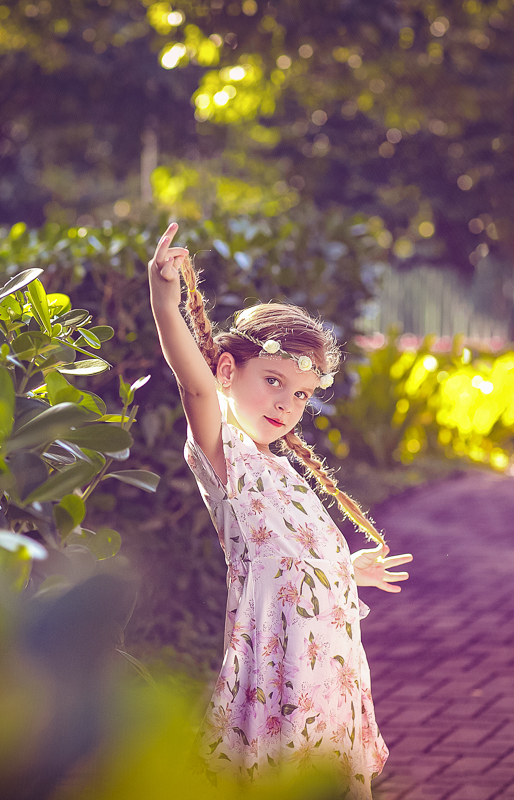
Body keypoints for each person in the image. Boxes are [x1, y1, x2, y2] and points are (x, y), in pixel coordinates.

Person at [147, 222, 413, 798]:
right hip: (278, 665)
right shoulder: (225, 453)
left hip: (328, 664)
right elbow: (191, 387)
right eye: (273, 381)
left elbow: (293, 554)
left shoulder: (281, 468)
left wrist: (346, 569)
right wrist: (164, 301)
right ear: (226, 371)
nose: (286, 404)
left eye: (299, 395)